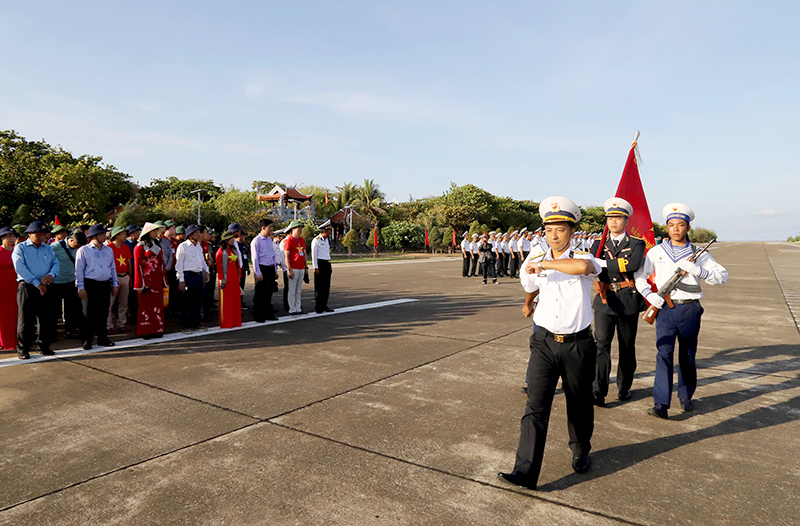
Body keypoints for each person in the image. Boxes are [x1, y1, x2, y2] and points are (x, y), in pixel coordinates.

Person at [498, 196, 601, 490]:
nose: (553, 235)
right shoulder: (534, 258)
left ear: (572, 231)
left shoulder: (585, 255)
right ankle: (525, 472)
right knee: (535, 406)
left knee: (579, 404)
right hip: (543, 342)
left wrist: (545, 262)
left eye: (560, 230)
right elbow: (528, 284)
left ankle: (581, 449)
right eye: (548, 230)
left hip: (578, 344)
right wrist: (535, 268)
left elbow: (583, 269)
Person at [634, 203, 728, 419]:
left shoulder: (698, 253)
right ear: (666, 227)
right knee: (664, 353)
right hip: (665, 309)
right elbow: (640, 275)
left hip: (690, 309)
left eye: (680, 225)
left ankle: (685, 397)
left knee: (687, 354)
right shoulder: (656, 251)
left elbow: (722, 276)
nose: (675, 229)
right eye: (671, 225)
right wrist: (650, 295)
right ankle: (661, 403)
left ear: (687, 228)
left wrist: (700, 270)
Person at [589, 198, 647, 406]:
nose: (613, 222)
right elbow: (592, 267)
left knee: (627, 347)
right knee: (601, 346)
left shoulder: (636, 243)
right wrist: (605, 264)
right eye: (610, 218)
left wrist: (604, 263)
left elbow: (633, 264)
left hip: (628, 300)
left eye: (618, 218)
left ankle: (624, 387)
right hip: (605, 301)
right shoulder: (597, 244)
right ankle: (598, 390)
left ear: (626, 220)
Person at [12, 221, 60, 359]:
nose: (42, 237)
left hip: (47, 285)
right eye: (38, 234)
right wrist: (37, 283)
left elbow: (55, 263)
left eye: (43, 234)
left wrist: (52, 274)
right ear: (30, 234)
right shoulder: (20, 248)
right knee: (26, 319)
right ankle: (23, 348)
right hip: (28, 286)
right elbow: (20, 267)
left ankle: (44, 345)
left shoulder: (47, 248)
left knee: (46, 318)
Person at [75, 224, 118, 350]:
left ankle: (102, 338)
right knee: (88, 313)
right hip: (90, 284)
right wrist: (80, 287)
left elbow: (112, 267)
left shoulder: (108, 250)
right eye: (102, 234)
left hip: (104, 283)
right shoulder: (83, 250)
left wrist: (115, 283)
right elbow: (79, 270)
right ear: (94, 236)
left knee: (103, 312)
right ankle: (87, 340)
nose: (105, 236)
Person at [133, 223, 167, 339]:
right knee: (145, 306)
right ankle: (145, 330)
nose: (156, 233)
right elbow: (137, 266)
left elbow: (161, 263)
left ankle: (157, 328)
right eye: (153, 231)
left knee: (157, 305)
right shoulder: (139, 247)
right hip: (145, 280)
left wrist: (164, 280)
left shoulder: (158, 246)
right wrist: (139, 284)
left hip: (157, 279)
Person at [51, 230, 86, 339]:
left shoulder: (79, 249)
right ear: (70, 240)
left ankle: (70, 330)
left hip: (71, 281)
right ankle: (52, 332)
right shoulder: (54, 247)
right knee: (54, 309)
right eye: (76, 245)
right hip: (56, 282)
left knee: (71, 308)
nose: (78, 248)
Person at [176, 225, 209, 332]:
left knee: (197, 300)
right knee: (187, 301)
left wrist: (207, 271)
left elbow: (202, 261)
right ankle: (185, 325)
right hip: (188, 275)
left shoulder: (198, 246)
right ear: (190, 235)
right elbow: (179, 264)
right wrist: (181, 279)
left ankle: (196, 323)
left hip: (198, 275)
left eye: (199, 232)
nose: (199, 234)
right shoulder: (183, 246)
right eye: (196, 232)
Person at [250, 219, 279, 322]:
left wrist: (275, 270)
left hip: (270, 268)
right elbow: (255, 258)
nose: (271, 229)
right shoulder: (256, 241)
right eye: (270, 227)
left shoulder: (269, 240)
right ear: (263, 228)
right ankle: (259, 315)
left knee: (269, 292)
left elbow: (272, 256)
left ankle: (268, 314)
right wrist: (258, 272)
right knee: (260, 294)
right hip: (262, 268)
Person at [106, 226, 133, 334]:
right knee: (110, 303)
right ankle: (109, 326)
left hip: (124, 276)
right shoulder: (108, 248)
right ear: (116, 235)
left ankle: (122, 324)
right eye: (122, 233)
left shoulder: (126, 247)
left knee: (124, 303)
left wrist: (130, 278)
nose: (125, 235)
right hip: (114, 277)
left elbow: (128, 263)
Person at [216, 230, 242, 328]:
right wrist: (222, 278)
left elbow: (238, 264)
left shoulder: (234, 250)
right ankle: (226, 322)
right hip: (226, 279)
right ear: (225, 240)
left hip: (234, 278)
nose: (233, 240)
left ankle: (235, 321)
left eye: (233, 238)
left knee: (235, 300)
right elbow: (219, 266)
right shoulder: (221, 251)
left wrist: (239, 278)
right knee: (226, 301)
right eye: (230, 238)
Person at [0, 227, 20, 350]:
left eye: (13, 236)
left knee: (16, 313)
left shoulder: (17, 251)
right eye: (9, 236)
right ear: (2, 238)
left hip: (16, 286)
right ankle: (4, 341)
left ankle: (16, 339)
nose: (12, 239)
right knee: (3, 314)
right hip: (2, 287)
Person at [283, 220, 308, 315]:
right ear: (293, 229)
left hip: (301, 267)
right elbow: (286, 256)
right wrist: (289, 270)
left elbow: (304, 253)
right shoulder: (289, 240)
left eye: (301, 228)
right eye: (299, 228)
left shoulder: (302, 240)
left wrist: (306, 267)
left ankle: (298, 308)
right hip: (293, 267)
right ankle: (292, 309)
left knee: (298, 290)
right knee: (292, 290)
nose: (300, 230)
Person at [312, 220, 335, 313]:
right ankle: (319, 306)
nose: (330, 232)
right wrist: (315, 267)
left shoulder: (326, 240)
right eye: (329, 230)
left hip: (326, 263)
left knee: (326, 286)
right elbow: (314, 255)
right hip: (320, 264)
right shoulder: (316, 240)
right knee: (319, 287)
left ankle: (324, 304)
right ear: (324, 231)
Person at [236, 230, 250, 309]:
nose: (244, 237)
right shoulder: (236, 245)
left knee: (242, 286)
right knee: (239, 286)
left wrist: (247, 267)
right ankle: (238, 303)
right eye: (244, 235)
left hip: (243, 269)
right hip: (238, 269)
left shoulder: (243, 245)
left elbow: (245, 257)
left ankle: (241, 301)